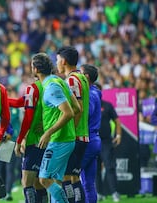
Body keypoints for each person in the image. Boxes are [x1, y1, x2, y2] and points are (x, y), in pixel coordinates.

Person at [33, 53, 80, 203]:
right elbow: (77, 108)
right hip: (66, 138)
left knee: (44, 179)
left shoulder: (51, 87)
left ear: (36, 69)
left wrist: (48, 132)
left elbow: (69, 112)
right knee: (55, 181)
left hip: (58, 140)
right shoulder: (59, 81)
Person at [8, 62, 47, 203]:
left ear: (35, 69)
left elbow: (28, 117)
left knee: (27, 182)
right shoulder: (51, 85)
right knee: (39, 182)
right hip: (48, 139)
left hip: (34, 140)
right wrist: (2, 99)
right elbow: (20, 102)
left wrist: (20, 140)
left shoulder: (33, 88)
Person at [56, 46, 89, 203]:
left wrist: (70, 131)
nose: (57, 64)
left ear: (63, 61)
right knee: (74, 177)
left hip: (75, 136)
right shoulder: (82, 78)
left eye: (57, 60)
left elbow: (79, 109)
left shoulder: (71, 80)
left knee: (66, 177)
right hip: (83, 135)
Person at [96, 84, 122, 202]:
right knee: (95, 169)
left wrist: (118, 135)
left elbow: (117, 121)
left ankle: (114, 193)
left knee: (110, 167)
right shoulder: (87, 106)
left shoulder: (107, 105)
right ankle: (99, 193)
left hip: (106, 141)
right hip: (93, 141)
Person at [80, 64, 101, 203]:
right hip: (94, 140)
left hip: (88, 140)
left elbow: (85, 115)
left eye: (80, 73)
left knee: (70, 177)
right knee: (88, 183)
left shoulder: (90, 96)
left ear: (86, 77)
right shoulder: (95, 92)